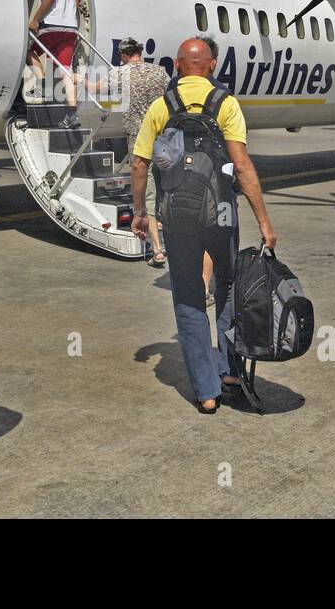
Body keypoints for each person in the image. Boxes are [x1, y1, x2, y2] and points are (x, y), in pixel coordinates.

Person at [129, 37, 278, 413]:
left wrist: (141, 213)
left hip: (177, 216)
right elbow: (241, 166)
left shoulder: (162, 106)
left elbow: (139, 164)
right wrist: (264, 221)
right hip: (221, 214)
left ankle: (207, 393)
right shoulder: (225, 103)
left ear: (178, 65)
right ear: (212, 65)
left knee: (189, 297)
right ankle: (229, 370)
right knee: (227, 288)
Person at [86, 37, 170, 266]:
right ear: (140, 52)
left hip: (139, 138)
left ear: (123, 54)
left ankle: (158, 250)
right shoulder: (160, 72)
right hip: (164, 135)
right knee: (165, 185)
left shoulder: (119, 74)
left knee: (146, 191)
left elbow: (96, 89)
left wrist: (75, 79)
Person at [24, 0, 81, 127]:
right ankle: (72, 114)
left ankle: (42, 87)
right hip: (70, 27)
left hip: (52, 25)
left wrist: (35, 20)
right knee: (65, 70)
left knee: (29, 51)